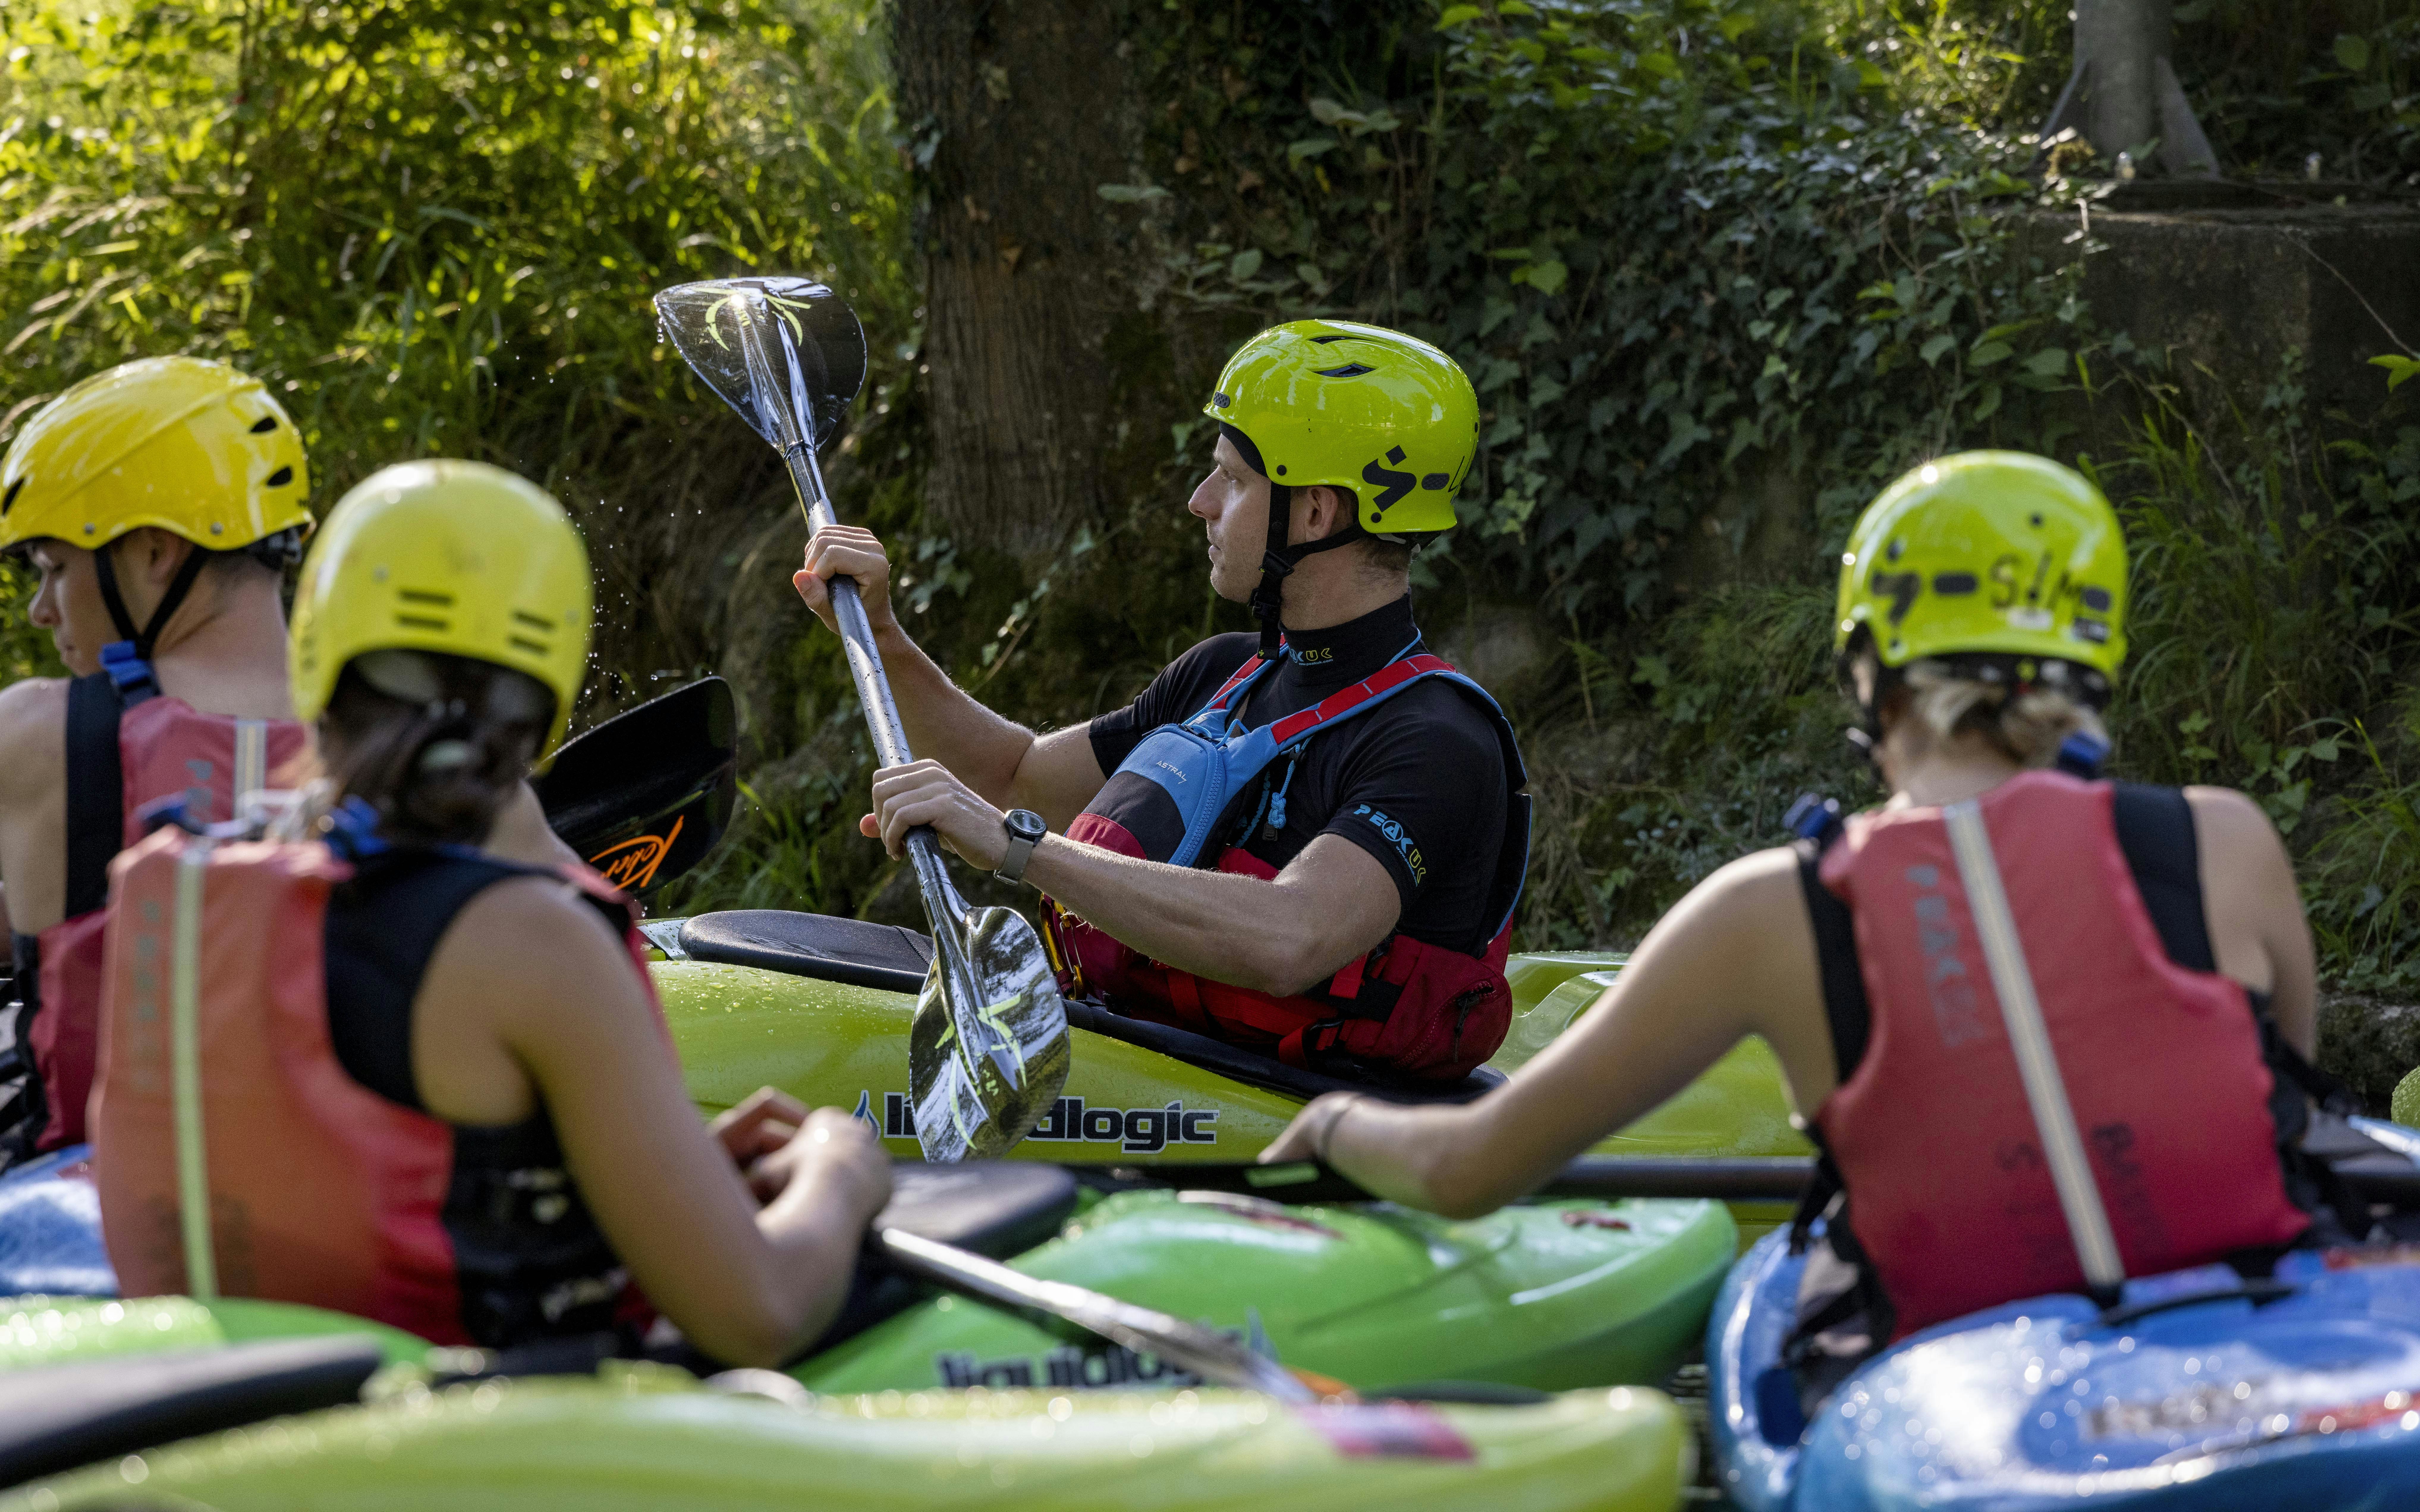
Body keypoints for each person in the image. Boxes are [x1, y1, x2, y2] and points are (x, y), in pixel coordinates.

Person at [1263, 451, 2337, 1393]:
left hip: (1965, 1405)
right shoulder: (2226, 841)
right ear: (2094, 653)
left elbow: (1471, 1168)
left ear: (1865, 668)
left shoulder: (1769, 908)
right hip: (2268, 1373)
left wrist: (1337, 1126)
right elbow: (2274, 1104)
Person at [90, 460, 891, 1366]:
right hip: (468, 1448)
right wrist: (840, 1167)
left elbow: (347, 1181)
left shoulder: (179, 889)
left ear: (314, 656)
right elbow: (761, 1313)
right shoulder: (534, 942)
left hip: (222, 1422)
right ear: (547, 680)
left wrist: (650, 1170)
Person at [797, 320, 1530, 1081]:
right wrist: (882, 634)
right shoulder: (1222, 675)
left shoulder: (1439, 740)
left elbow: (1295, 937)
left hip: (1310, 1145)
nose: (1199, 502)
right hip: (1139, 1069)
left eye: (1235, 480)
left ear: (1316, 513)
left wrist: (1019, 849)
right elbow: (1015, 776)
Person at [0, 357, 316, 1163]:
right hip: (328, 1204)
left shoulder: (39, 730)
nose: (43, 611)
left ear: (153, 553)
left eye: (55, 569)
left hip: (81, 1200)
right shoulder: (411, 739)